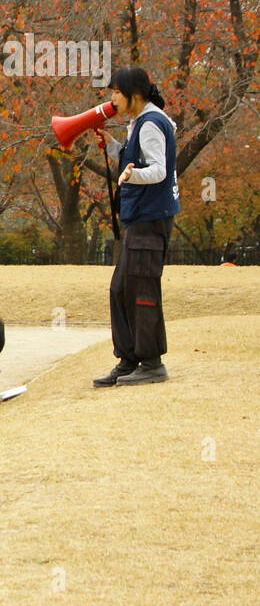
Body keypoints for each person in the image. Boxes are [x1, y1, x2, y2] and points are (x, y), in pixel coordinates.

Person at [95, 66, 180, 386]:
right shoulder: (139, 121)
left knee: (142, 290)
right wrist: (112, 145)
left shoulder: (151, 123)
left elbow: (158, 170)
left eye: (117, 92)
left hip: (151, 219)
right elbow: (135, 159)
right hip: (141, 219)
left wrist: (132, 176)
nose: (112, 98)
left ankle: (152, 362)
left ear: (135, 94)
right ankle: (129, 359)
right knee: (120, 289)